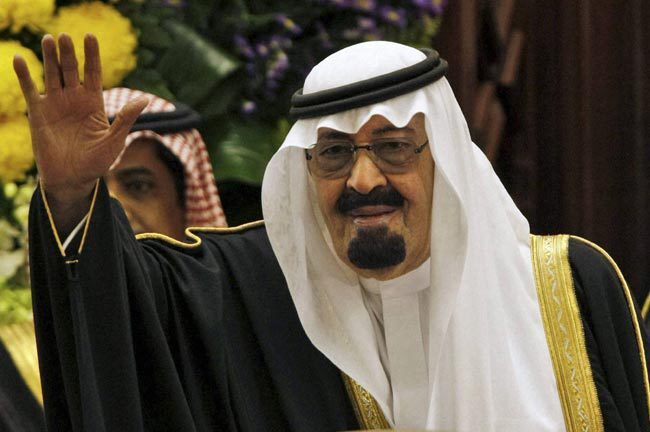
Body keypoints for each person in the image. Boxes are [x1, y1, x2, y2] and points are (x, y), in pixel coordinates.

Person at [14, 32, 649, 431]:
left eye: (394, 147)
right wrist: (70, 195)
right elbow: (122, 320)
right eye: (335, 154)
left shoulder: (568, 287)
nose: (363, 180)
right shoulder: (256, 290)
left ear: (447, 159)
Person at [0, 86, 226, 431]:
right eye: (95, 192)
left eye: (137, 186)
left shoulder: (231, 335)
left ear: (187, 205)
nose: (113, 210)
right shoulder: (17, 363)